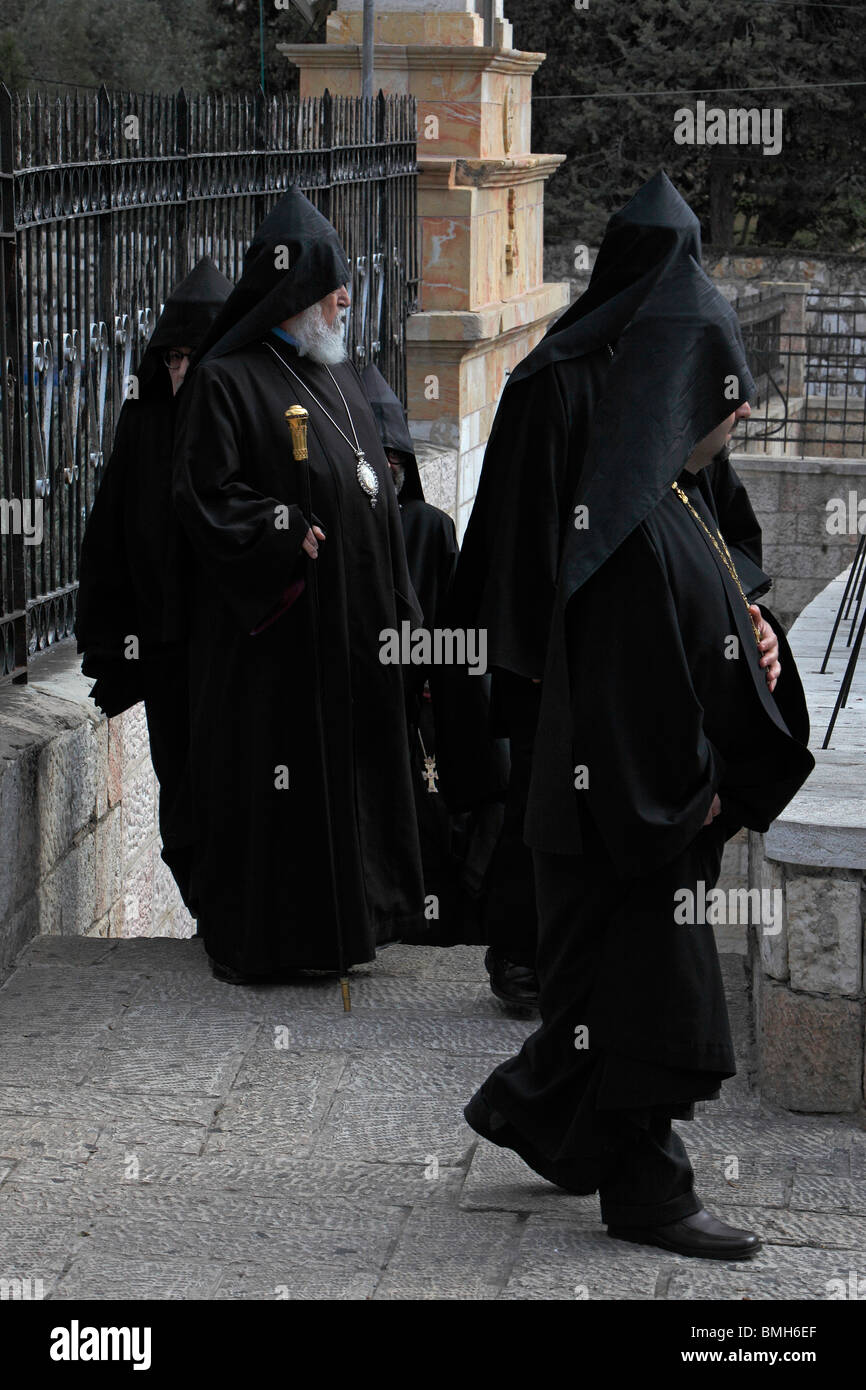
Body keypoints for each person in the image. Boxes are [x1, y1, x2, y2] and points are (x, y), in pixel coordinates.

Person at [463, 236, 815, 1260]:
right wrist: (690, 797)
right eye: (729, 391)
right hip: (621, 817)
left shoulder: (676, 497)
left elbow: (709, 616)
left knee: (608, 1003)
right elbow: (627, 700)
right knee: (639, 1006)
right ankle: (648, 1197)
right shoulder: (622, 529)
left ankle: (532, 1116)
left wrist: (753, 636)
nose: (742, 410)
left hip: (638, 817)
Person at [450, 171, 783, 1009]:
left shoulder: (682, 385)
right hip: (555, 644)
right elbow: (518, 534)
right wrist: (533, 658)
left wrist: (738, 607)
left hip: (646, 643)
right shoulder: (551, 381)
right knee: (546, 797)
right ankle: (527, 958)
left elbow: (719, 523)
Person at [171, 189, 424, 984]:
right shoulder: (224, 380)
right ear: (289, 290)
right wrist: (280, 529)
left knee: (348, 783)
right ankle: (273, 942)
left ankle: (348, 929)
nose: (346, 297)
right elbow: (203, 500)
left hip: (353, 632)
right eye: (330, 283)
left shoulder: (335, 373)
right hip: (278, 648)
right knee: (285, 785)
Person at [76, 256, 233, 909]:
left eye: (191, 358)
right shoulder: (144, 424)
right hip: (167, 647)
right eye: (169, 359)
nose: (178, 372)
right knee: (182, 782)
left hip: (230, 647)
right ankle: (206, 901)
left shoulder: (238, 423)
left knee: (229, 780)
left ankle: (228, 909)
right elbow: (112, 530)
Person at [360, 363, 505, 945]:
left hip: (417, 722)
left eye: (392, 463)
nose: (384, 474)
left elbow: (456, 642)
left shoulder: (429, 530)